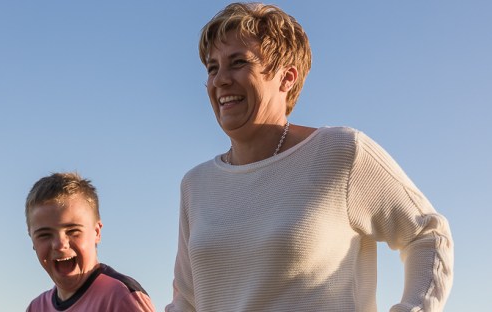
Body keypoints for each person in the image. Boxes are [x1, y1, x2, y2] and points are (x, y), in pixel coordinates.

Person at [166, 2, 454, 312]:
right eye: (212, 67)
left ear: (286, 77)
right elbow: (186, 300)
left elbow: (429, 234)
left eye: (238, 62)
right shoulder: (195, 184)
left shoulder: (341, 152)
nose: (219, 79)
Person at [24, 172, 154, 312]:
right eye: (45, 235)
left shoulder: (121, 297)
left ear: (97, 232)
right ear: (32, 239)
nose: (60, 244)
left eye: (73, 231)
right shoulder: (36, 307)